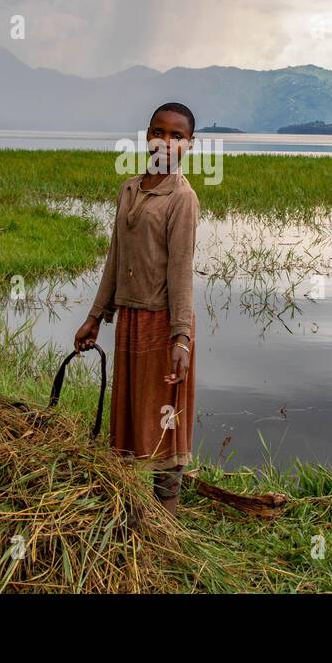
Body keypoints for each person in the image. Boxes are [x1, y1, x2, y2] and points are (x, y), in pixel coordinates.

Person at [74, 102, 200, 514]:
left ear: (189, 146)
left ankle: (167, 517)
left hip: (164, 324)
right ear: (146, 136)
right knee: (130, 417)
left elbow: (181, 273)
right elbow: (114, 258)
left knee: (164, 420)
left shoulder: (182, 198)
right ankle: (127, 511)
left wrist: (181, 339)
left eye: (177, 136)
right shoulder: (130, 189)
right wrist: (95, 317)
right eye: (159, 132)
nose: (166, 141)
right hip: (129, 318)